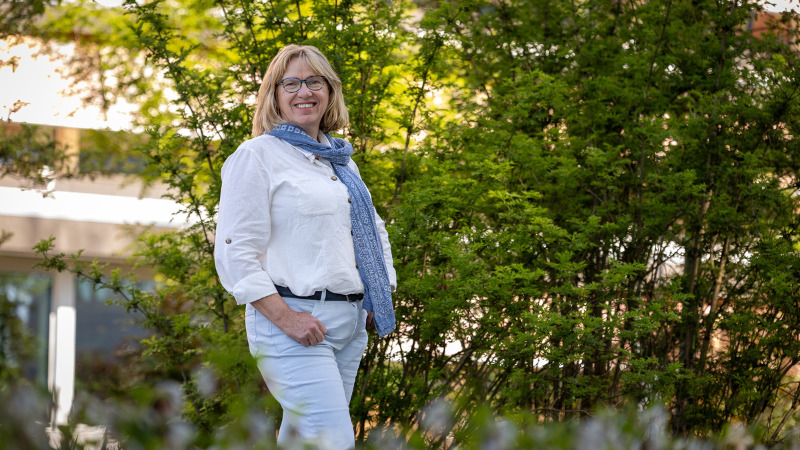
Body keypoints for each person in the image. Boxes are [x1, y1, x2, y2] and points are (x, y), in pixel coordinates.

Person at [214, 44, 397, 449]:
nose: (304, 92)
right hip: (294, 324)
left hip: (348, 325)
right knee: (332, 441)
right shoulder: (257, 156)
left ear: (330, 90)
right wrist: (287, 319)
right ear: (274, 95)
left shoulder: (342, 162)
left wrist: (376, 296)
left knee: (304, 442)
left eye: (314, 81)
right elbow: (235, 252)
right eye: (291, 83)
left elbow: (372, 232)